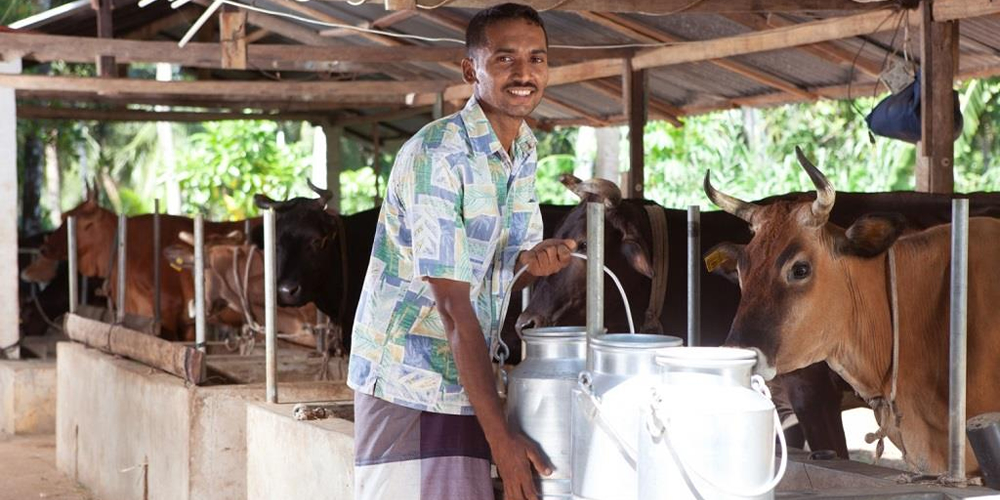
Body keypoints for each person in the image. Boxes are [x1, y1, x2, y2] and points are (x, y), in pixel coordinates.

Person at [347, 4, 576, 500]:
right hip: (409, 380)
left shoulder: (523, 149)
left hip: (466, 380)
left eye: (536, 59)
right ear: (471, 70)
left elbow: (500, 267)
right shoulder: (439, 154)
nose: (524, 74)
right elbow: (453, 306)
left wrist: (532, 262)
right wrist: (501, 440)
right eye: (505, 59)